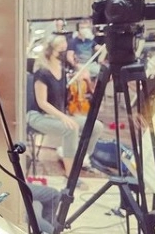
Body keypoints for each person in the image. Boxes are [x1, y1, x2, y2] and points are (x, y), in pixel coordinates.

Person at [27, 34, 104, 176]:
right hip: (38, 116)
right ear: (50, 52)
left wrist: (82, 81)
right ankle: (70, 174)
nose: (64, 53)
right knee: (70, 129)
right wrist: (63, 117)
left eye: (65, 49)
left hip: (57, 115)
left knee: (96, 126)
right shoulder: (42, 73)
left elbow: (64, 98)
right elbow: (42, 103)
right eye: (61, 50)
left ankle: (80, 158)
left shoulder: (62, 70)